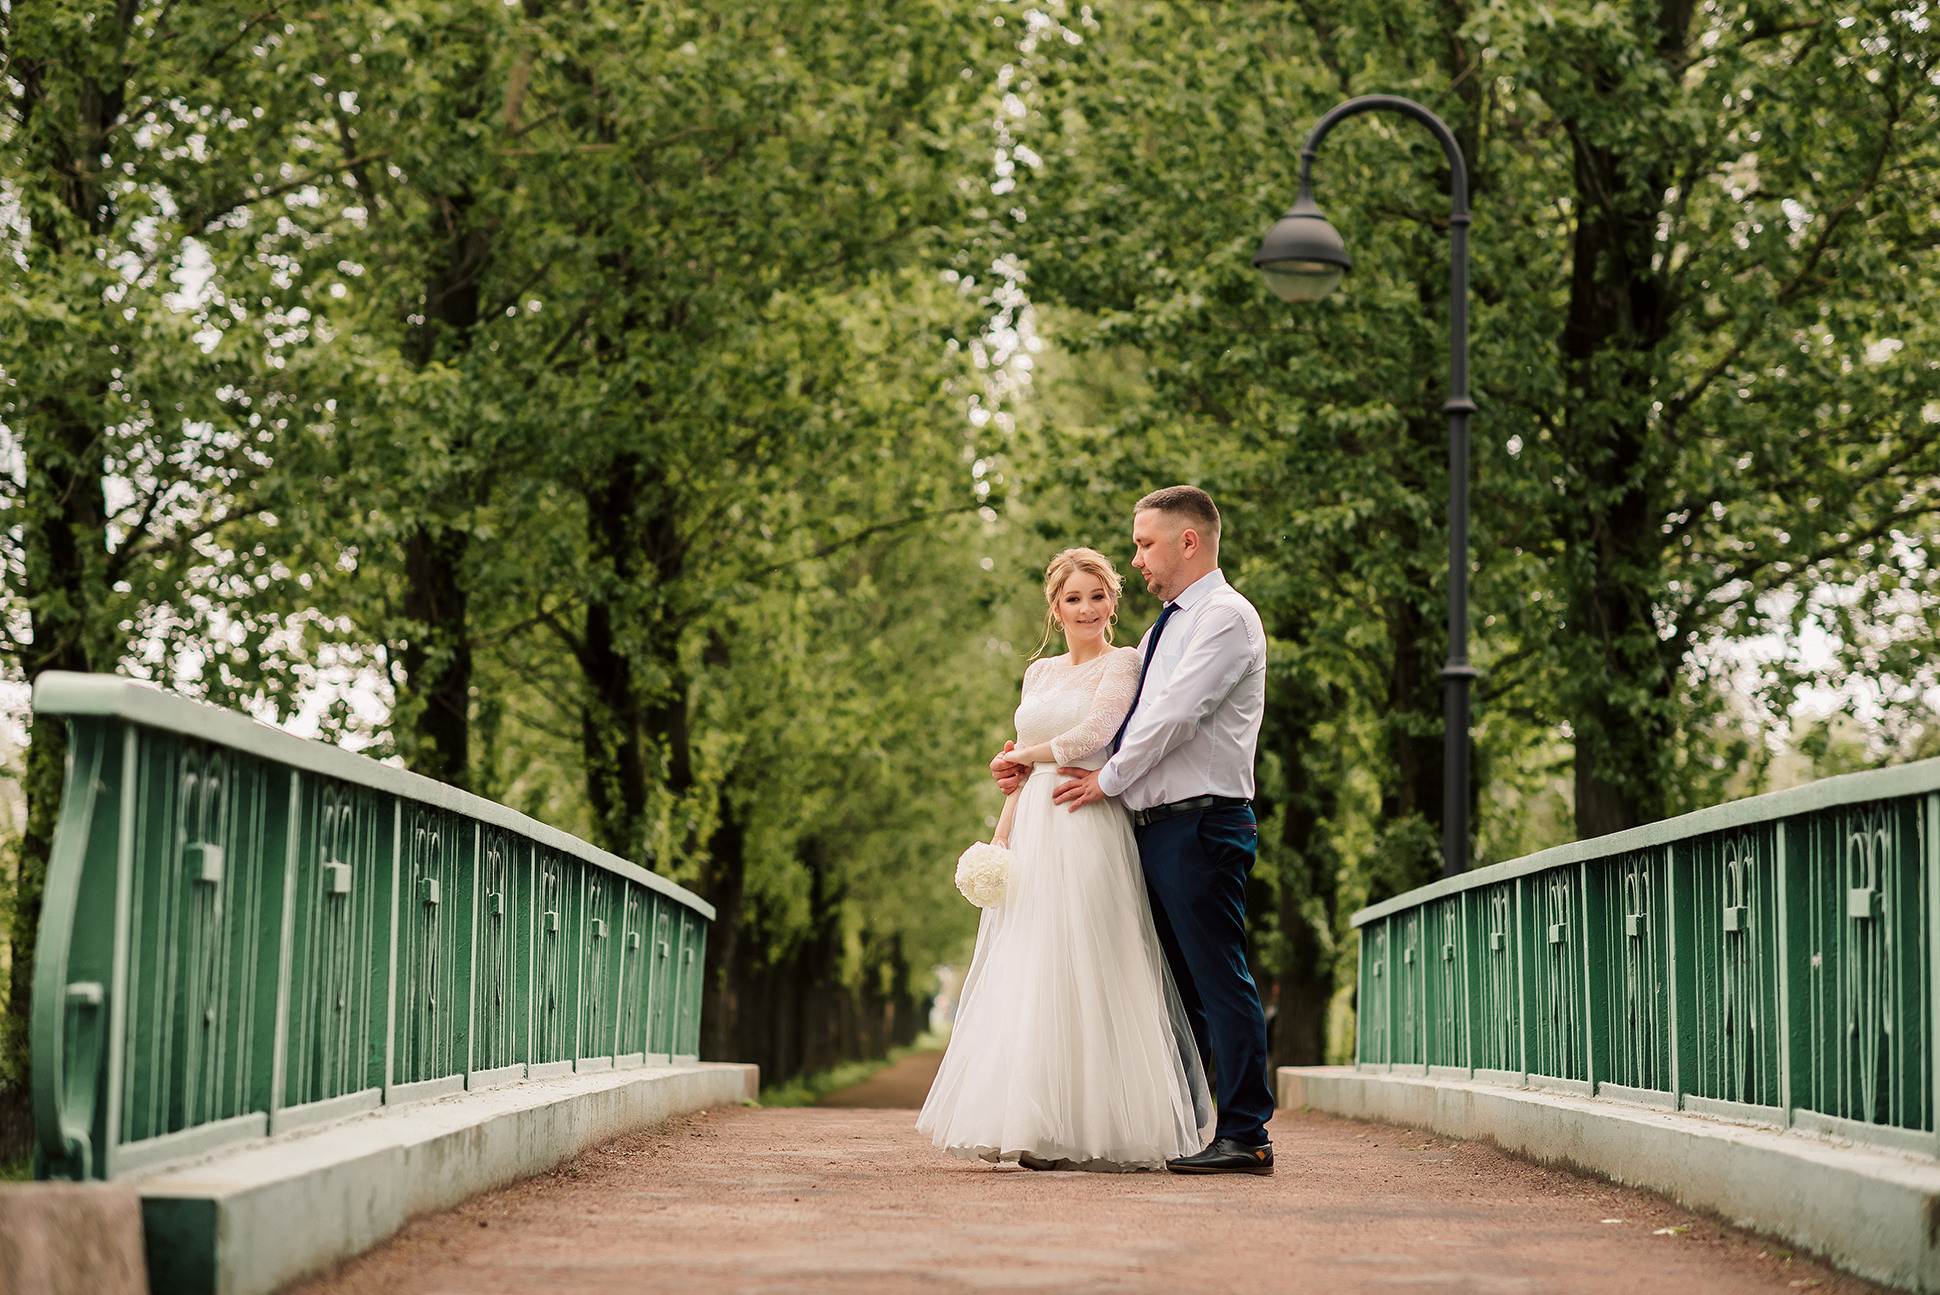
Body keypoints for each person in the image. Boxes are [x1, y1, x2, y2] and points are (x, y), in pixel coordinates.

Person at [1006, 485, 1275, 1175]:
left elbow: (1173, 717)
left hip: (1202, 821)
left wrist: (1106, 779)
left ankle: (1245, 1132)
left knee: (1218, 978)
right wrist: (1032, 772)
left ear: (1188, 541)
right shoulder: (1163, 630)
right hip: (1149, 826)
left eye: (1145, 543)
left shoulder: (1223, 618)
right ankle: (1176, 1129)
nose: (1137, 558)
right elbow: (1114, 720)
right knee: (1166, 987)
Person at [917, 548, 1211, 1171]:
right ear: (1055, 607)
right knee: (1035, 961)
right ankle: (1038, 1124)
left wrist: (1026, 757)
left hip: (1085, 815)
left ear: (1113, 601)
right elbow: (1021, 762)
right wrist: (1001, 834)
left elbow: (1095, 735)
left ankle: (1097, 1126)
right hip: (1035, 825)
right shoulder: (1039, 674)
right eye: (1073, 599)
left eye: (1098, 596)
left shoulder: (1124, 663)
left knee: (1092, 957)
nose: (1087, 609)